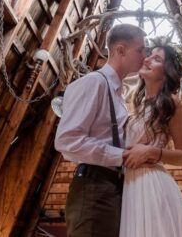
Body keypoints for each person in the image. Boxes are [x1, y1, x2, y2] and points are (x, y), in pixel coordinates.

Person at [54, 24, 147, 237]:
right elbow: (68, 140)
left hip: (113, 187)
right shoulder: (92, 84)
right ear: (121, 50)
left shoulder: (119, 94)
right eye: (140, 49)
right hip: (93, 186)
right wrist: (122, 156)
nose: (145, 55)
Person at [120, 38, 182, 236]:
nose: (147, 60)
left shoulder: (171, 103)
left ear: (166, 72)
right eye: (149, 55)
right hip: (129, 185)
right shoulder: (137, 104)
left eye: (157, 59)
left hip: (152, 185)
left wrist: (151, 151)